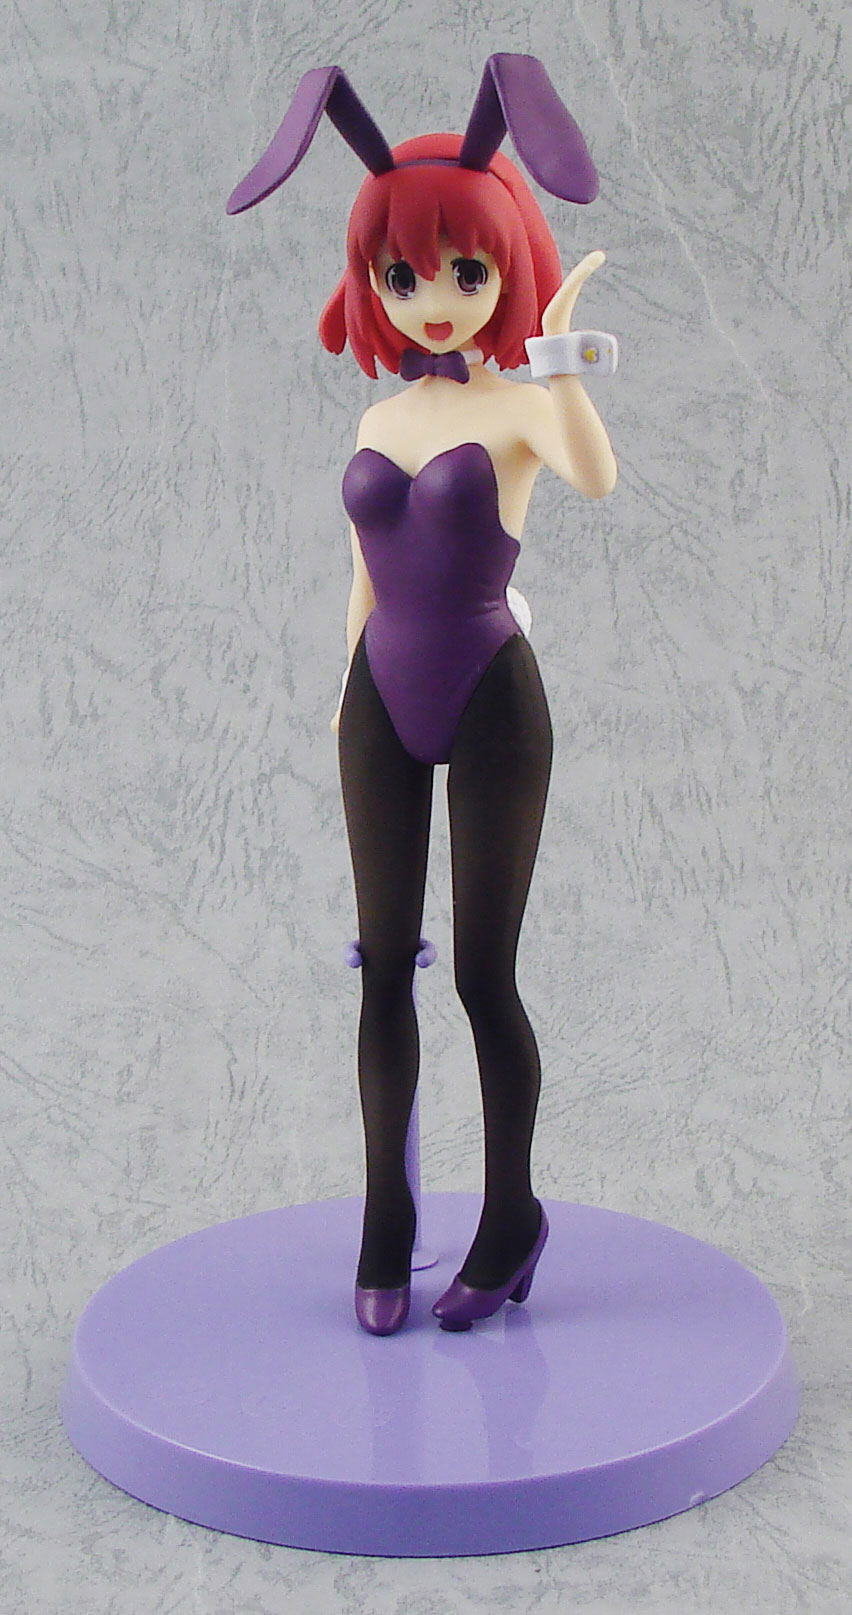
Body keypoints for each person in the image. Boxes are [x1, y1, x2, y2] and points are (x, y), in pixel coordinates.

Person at [228, 55, 618, 1334]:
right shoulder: (379, 423)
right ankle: (384, 1223)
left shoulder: (517, 410)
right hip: (379, 698)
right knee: (381, 969)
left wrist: (561, 356)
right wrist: (340, 695)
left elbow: (593, 476)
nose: (435, 300)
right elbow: (365, 569)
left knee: (482, 979)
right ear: (373, 284)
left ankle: (511, 1217)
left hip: (493, 695)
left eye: (462, 271)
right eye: (404, 277)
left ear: (505, 263)